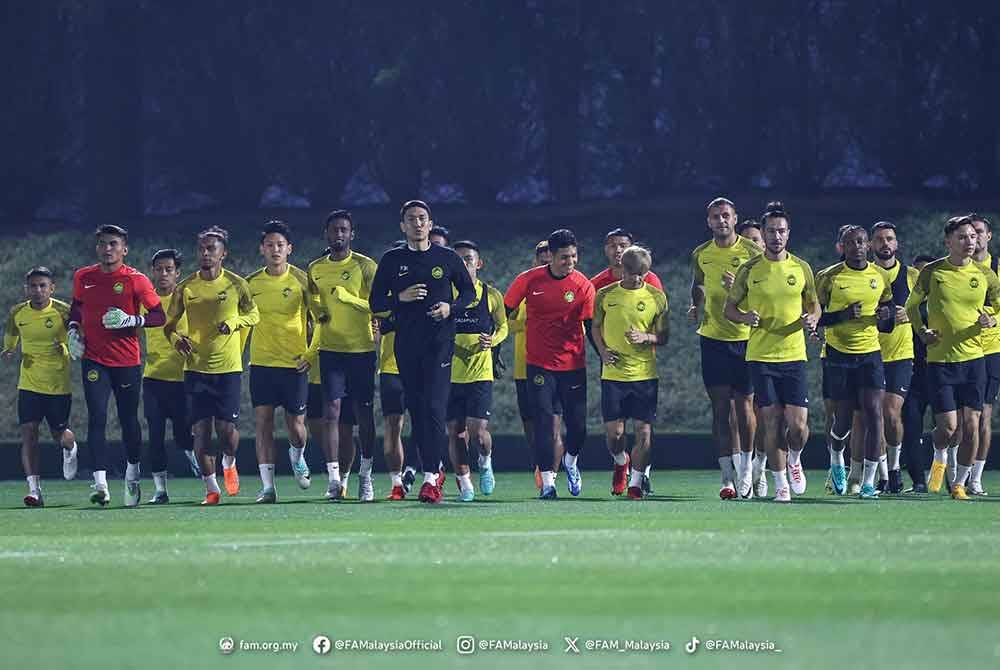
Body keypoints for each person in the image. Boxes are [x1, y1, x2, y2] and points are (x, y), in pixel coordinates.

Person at [370, 200, 475, 503]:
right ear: (402, 226)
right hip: (406, 344)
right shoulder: (392, 260)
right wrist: (399, 298)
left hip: (440, 343)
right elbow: (376, 303)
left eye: (422, 218)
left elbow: (467, 292)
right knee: (417, 410)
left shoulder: (447, 257)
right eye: (411, 219)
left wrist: (449, 308)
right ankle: (434, 468)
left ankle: (431, 478)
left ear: (430, 224)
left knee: (434, 407)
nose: (417, 223)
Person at [725, 202, 820, 502]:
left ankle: (794, 459)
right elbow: (730, 308)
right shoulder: (749, 269)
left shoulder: (801, 267)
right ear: (763, 234)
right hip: (761, 356)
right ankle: (780, 486)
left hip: (793, 356)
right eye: (770, 231)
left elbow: (814, 304)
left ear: (788, 234)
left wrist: (813, 318)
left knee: (799, 427)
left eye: (781, 231)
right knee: (771, 421)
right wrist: (745, 317)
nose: (776, 236)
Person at [69, 224, 165, 507]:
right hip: (94, 359)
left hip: (126, 361)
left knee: (128, 420)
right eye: (102, 244)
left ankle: (132, 474)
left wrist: (133, 320)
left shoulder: (136, 280)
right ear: (97, 247)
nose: (107, 249)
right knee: (97, 417)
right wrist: (73, 328)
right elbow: (76, 307)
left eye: (113, 244)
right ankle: (100, 485)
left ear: (124, 249)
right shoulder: (83, 277)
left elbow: (159, 316)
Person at [905, 215, 1000, 500]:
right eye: (962, 237)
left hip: (974, 358)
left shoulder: (986, 275)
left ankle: (959, 483)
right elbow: (911, 306)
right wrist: (922, 332)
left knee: (972, 425)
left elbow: (997, 305)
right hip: (941, 361)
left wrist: (991, 320)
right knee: (948, 427)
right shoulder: (933, 272)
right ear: (948, 242)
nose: (969, 242)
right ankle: (939, 454)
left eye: (972, 236)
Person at [164, 226, 259, 505]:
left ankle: (229, 461)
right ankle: (211, 489)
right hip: (195, 369)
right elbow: (169, 326)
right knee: (202, 432)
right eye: (202, 249)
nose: (205, 254)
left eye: (211, 249)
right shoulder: (186, 288)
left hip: (228, 369)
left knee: (226, 432)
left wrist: (234, 322)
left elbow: (254, 314)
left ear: (223, 253)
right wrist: (175, 340)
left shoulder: (236, 284)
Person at [504, 228, 595, 499]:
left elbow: (590, 327)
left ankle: (571, 461)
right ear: (551, 257)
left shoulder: (583, 285)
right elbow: (503, 311)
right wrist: (492, 339)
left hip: (573, 365)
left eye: (574, 256)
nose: (570, 262)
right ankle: (548, 483)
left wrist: (603, 354)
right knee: (544, 423)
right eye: (565, 257)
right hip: (539, 365)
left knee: (578, 427)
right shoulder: (528, 281)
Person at [688, 197, 762, 499]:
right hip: (713, 338)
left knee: (745, 409)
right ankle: (727, 478)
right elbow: (699, 283)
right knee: (720, 410)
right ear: (708, 221)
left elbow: (766, 293)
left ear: (735, 218)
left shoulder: (752, 251)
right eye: (716, 216)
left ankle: (748, 471)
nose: (721, 221)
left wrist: (741, 291)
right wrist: (696, 304)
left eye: (726, 216)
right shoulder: (701, 254)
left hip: (745, 339)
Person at [816, 226, 895, 499]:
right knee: (843, 420)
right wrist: (843, 314)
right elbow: (817, 318)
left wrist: (887, 317)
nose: (857, 247)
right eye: (851, 243)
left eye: (861, 242)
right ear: (842, 247)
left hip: (870, 354)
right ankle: (837, 457)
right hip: (839, 355)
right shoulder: (827, 277)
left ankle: (870, 483)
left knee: (875, 415)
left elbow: (888, 320)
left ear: (869, 245)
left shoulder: (880, 276)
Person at [308, 210, 379, 502]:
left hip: (361, 349)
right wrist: (319, 311)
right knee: (332, 411)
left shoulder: (365, 265)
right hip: (331, 349)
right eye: (334, 230)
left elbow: (379, 306)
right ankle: (335, 480)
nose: (339, 234)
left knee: (363, 413)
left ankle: (365, 475)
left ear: (352, 234)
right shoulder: (315, 268)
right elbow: (313, 300)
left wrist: (349, 299)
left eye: (344, 230)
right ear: (326, 233)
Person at [592, 246, 669, 499]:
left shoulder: (657, 298)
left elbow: (664, 336)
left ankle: (635, 484)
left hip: (645, 375)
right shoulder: (604, 295)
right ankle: (620, 460)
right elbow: (595, 328)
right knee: (615, 436)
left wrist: (645, 336)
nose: (638, 278)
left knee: (643, 432)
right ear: (622, 269)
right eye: (633, 273)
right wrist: (602, 352)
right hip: (613, 376)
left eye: (643, 274)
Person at [246, 220, 313, 503]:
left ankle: (297, 455)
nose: (275, 249)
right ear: (262, 249)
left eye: (280, 245)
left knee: (296, 426)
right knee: (263, 423)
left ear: (289, 249)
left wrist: (311, 353)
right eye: (270, 245)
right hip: (262, 363)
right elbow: (245, 322)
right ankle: (268, 487)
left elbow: (317, 321)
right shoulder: (250, 284)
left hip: (294, 363)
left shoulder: (302, 280)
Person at [2, 267, 78, 507]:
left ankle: (71, 448)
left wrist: (64, 349)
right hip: (29, 385)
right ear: (27, 289)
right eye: (33, 286)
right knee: (29, 435)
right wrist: (9, 348)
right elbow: (12, 334)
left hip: (57, 386)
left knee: (60, 435)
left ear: (51, 288)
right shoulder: (17, 312)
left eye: (42, 286)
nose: (38, 290)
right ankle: (34, 491)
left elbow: (76, 343)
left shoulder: (64, 312)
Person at [446, 241, 508, 501]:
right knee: (455, 433)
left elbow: (503, 326)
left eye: (468, 259)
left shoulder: (490, 295)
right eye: (458, 260)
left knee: (478, 434)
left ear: (478, 263)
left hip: (480, 374)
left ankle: (485, 461)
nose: (464, 264)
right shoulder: (445, 295)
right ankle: (465, 483)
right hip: (448, 375)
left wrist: (492, 340)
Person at [141, 249, 198, 504]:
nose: (163, 274)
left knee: (183, 434)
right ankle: (160, 490)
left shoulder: (188, 302)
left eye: (168, 269)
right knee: (154, 434)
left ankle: (194, 458)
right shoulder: (145, 302)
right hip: (153, 378)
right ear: (153, 272)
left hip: (182, 379)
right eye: (159, 269)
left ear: (177, 273)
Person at [509, 240, 564, 491]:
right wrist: (530, 322)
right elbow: (505, 324)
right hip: (525, 367)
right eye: (540, 259)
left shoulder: (564, 290)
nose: (544, 263)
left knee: (553, 425)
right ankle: (540, 465)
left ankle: (552, 474)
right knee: (531, 426)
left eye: (548, 259)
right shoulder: (525, 291)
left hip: (555, 367)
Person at [869, 221, 920, 494]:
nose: (884, 244)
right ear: (870, 245)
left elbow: (928, 309)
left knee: (890, 412)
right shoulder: (864, 274)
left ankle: (895, 468)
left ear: (897, 244)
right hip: (870, 353)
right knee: (875, 415)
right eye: (879, 239)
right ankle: (881, 473)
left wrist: (910, 315)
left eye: (889, 238)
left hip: (901, 353)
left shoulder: (912, 275)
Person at [900, 254, 937, 492]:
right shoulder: (907, 308)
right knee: (911, 427)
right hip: (914, 374)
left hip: (942, 370)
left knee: (949, 427)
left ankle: (947, 477)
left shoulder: (945, 305)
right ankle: (919, 481)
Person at [968, 214, 997, 495]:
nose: (974, 238)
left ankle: (975, 477)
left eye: (979, 232)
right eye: (970, 233)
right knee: (957, 420)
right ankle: (954, 470)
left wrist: (994, 321)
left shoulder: (997, 269)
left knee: (982, 417)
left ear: (989, 236)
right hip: (957, 350)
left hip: (989, 351)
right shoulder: (954, 268)